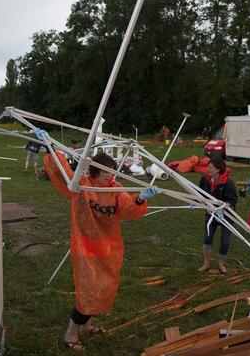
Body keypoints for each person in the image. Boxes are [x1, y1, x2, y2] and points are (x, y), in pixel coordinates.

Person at [37, 128, 160, 351]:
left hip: (109, 246)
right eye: (105, 172)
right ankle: (70, 333)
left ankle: (87, 325)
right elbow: (63, 174)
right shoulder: (82, 186)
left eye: (112, 171)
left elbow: (129, 209)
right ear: (95, 170)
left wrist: (141, 197)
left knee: (103, 287)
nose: (109, 175)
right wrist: (50, 147)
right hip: (85, 245)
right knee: (90, 290)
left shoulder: (116, 188)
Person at [198, 157, 238, 274]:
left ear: (218, 169)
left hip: (226, 216)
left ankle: (221, 264)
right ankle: (206, 264)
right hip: (210, 214)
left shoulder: (227, 182)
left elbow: (233, 200)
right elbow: (199, 193)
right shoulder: (205, 179)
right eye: (208, 167)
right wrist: (198, 201)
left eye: (211, 167)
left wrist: (222, 208)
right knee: (207, 238)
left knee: (225, 242)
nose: (208, 169)